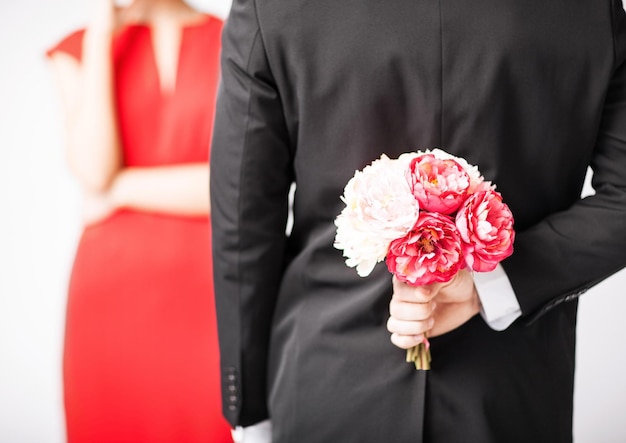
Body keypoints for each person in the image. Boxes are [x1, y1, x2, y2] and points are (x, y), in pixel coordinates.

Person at [210, 0, 626, 442]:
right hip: (512, 398)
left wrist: (248, 410)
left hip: (326, 384)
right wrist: (496, 284)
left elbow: (243, 220)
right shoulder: (588, 8)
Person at [46, 0, 233, 441]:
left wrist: (119, 191)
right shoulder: (78, 49)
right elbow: (94, 168)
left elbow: (234, 182)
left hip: (210, 293)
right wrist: (100, 34)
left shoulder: (236, 40)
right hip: (111, 299)